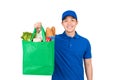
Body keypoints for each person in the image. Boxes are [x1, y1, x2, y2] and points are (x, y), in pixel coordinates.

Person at [34, 10, 93, 80]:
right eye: (66, 21)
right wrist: (38, 29)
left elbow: (88, 64)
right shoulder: (54, 40)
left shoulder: (85, 42)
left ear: (77, 22)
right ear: (62, 23)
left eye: (72, 20)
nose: (69, 23)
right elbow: (40, 42)